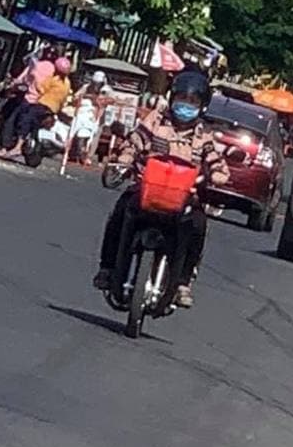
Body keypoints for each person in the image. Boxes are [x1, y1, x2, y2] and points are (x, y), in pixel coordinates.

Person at [92, 71, 229, 308]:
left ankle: (183, 283)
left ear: (202, 106)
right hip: (146, 189)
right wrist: (125, 159)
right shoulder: (155, 121)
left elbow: (215, 160)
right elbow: (135, 141)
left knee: (198, 225)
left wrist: (217, 174)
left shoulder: (204, 135)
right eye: (182, 99)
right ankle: (107, 268)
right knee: (120, 211)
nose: (186, 106)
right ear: (172, 98)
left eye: (192, 102)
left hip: (183, 197)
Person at [0, 56, 72, 157]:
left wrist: (31, 86)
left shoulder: (50, 76)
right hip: (53, 109)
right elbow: (64, 98)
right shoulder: (67, 83)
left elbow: (41, 88)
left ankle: (17, 146)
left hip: (39, 103)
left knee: (22, 119)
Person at [0, 47, 58, 152]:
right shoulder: (56, 72)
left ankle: (4, 147)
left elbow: (22, 80)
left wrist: (12, 85)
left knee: (10, 118)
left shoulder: (36, 65)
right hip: (44, 103)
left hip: (29, 98)